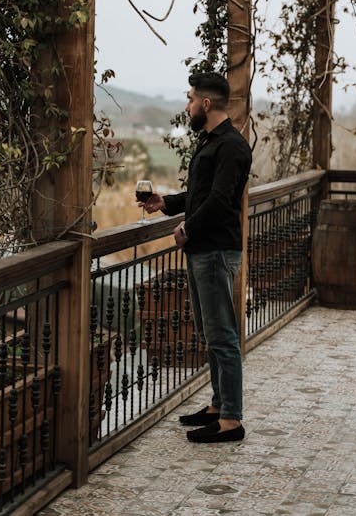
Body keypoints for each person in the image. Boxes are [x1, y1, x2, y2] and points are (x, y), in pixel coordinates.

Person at [142, 71, 252, 443]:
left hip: (216, 250)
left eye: (190, 99)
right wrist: (167, 203)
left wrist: (187, 229)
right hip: (204, 249)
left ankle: (231, 420)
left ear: (206, 104)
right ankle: (218, 406)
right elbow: (201, 194)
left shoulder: (232, 147)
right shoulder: (210, 142)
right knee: (211, 332)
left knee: (223, 336)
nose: (186, 106)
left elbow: (221, 201)